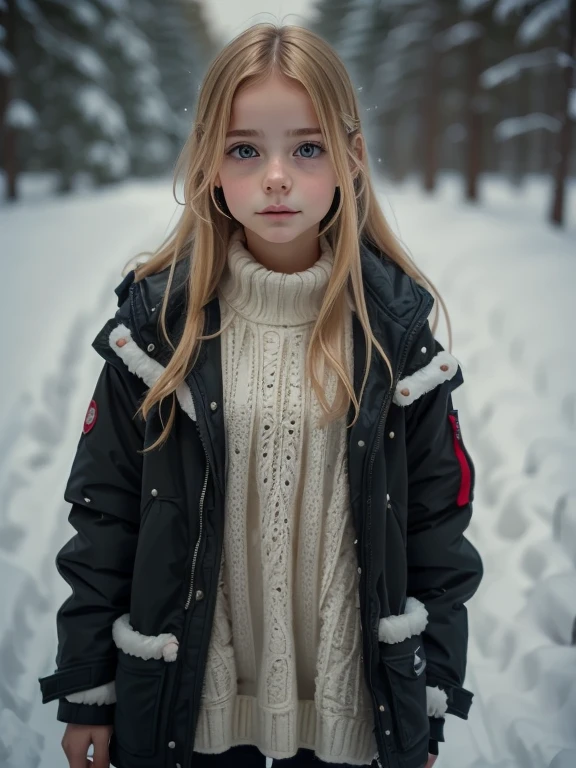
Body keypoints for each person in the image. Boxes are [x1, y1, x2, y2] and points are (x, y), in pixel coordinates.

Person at [38, 22, 483, 768]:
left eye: (307, 148)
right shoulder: (156, 334)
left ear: (351, 158)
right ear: (211, 162)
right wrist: (90, 689)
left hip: (353, 714)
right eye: (246, 149)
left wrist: (425, 698)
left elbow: (438, 529)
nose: (276, 176)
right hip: (190, 705)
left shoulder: (396, 341)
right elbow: (106, 515)